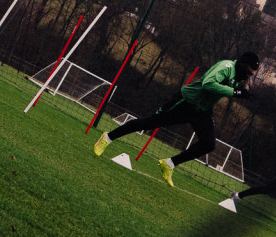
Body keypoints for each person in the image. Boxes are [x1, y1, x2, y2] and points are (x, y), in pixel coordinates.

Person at [93, 53, 259, 188]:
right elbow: (208, 84)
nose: (251, 74)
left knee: (209, 144)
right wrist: (235, 92)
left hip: (202, 110)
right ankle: (107, 137)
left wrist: (241, 90)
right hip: (185, 102)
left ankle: (169, 164)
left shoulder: (239, 77)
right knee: (149, 123)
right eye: (251, 70)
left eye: (253, 72)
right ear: (243, 64)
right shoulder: (225, 67)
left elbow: (231, 88)